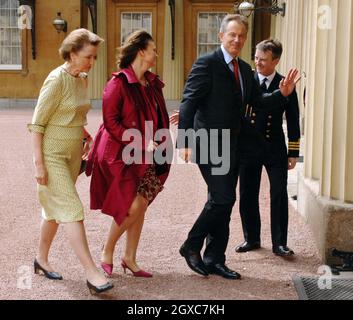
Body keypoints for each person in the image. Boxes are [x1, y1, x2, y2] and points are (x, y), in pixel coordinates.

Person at [177, 14, 300, 280]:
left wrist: (283, 94)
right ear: (221, 36)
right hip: (208, 141)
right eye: (232, 34)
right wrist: (185, 139)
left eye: (241, 36)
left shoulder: (244, 69)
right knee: (224, 198)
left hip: (233, 143)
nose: (237, 39)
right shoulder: (206, 63)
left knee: (220, 201)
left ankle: (214, 258)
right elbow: (188, 101)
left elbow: (260, 102)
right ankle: (191, 244)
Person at [28, 29, 113, 294]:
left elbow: (73, 114)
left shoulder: (82, 79)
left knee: (55, 209)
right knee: (72, 210)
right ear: (72, 53)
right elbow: (38, 124)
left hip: (73, 154)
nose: (91, 62)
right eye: (88, 56)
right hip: (52, 156)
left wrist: (85, 135)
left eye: (94, 57)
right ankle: (91, 273)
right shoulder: (55, 80)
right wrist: (39, 164)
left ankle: (41, 260)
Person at [86, 30, 171, 278]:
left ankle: (130, 257)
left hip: (149, 153)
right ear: (141, 51)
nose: (156, 53)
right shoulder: (117, 83)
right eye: (153, 49)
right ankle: (107, 250)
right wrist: (140, 141)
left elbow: (157, 116)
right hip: (122, 155)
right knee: (133, 206)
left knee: (141, 204)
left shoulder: (152, 83)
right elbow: (110, 123)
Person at [235, 39, 300, 256]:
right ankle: (251, 238)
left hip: (274, 147)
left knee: (279, 193)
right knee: (247, 193)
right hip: (249, 146)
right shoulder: (247, 80)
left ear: (276, 60)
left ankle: (280, 243)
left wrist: (293, 152)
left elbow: (293, 119)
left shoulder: (286, 83)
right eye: (256, 58)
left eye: (263, 59)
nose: (258, 63)